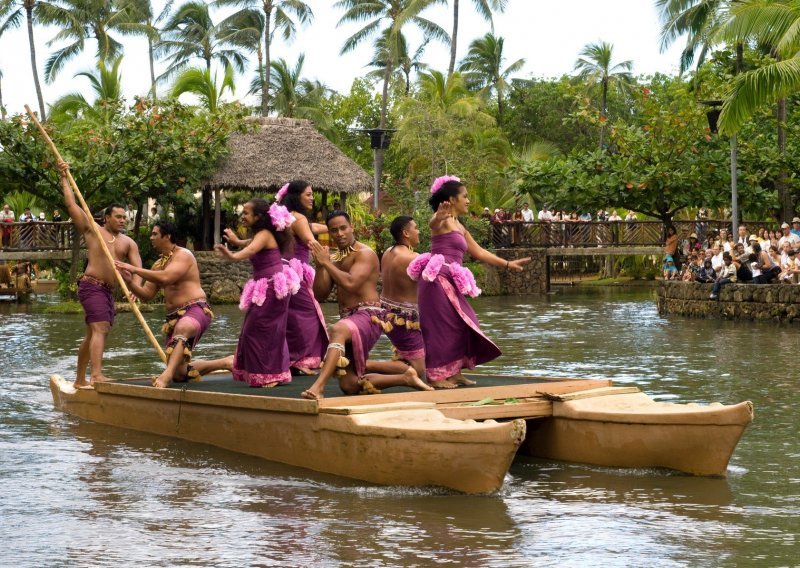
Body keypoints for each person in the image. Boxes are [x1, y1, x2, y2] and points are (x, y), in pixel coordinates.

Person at [408, 176, 530, 388]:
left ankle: (454, 372)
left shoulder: (459, 226)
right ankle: (437, 377)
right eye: (464, 196)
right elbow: (432, 224)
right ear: (452, 199)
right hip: (436, 280)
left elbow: (479, 252)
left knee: (465, 323)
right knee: (442, 328)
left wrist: (508, 264)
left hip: (450, 281)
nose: (468, 201)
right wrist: (437, 216)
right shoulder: (443, 221)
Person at [300, 211, 430, 401]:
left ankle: (318, 387)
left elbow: (351, 283)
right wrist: (321, 266)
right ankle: (405, 378)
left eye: (343, 228)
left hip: (369, 315)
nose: (340, 234)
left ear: (351, 227)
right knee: (349, 385)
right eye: (334, 230)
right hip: (349, 318)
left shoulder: (365, 254)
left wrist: (327, 264)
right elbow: (319, 295)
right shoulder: (334, 259)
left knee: (338, 330)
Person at [195, 198, 301, 387]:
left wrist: (232, 255)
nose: (242, 216)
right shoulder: (262, 234)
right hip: (268, 286)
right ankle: (271, 373)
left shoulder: (265, 233)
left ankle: (270, 374)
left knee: (258, 330)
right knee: (261, 330)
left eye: (246, 213)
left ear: (258, 217)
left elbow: (251, 248)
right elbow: (251, 243)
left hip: (271, 288)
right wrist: (236, 241)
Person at [57, 160, 142, 388]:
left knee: (92, 333)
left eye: (125, 217)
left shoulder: (128, 242)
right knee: (101, 328)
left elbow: (138, 270)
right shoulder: (93, 231)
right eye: (118, 216)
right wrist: (64, 178)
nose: (122, 220)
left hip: (108, 291)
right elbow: (71, 205)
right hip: (91, 285)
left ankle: (78, 379)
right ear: (107, 218)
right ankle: (96, 376)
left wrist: (136, 289)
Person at [115, 222, 213, 388]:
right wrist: (130, 282)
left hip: (195, 309)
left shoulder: (184, 255)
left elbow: (166, 277)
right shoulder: (158, 264)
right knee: (180, 374)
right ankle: (226, 363)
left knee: (183, 328)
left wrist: (134, 269)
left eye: (154, 234)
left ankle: (165, 376)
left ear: (167, 236)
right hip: (173, 317)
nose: (151, 237)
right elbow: (146, 295)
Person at [275, 180, 329, 374]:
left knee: (290, 317)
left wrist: (334, 226)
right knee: (308, 315)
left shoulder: (287, 216)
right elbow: (309, 239)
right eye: (308, 194)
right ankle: (300, 359)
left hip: (283, 271)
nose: (312, 198)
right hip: (295, 273)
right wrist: (326, 258)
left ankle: (291, 359)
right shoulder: (299, 218)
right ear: (297, 196)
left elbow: (310, 227)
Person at [377, 216, 427, 380]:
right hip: (404, 319)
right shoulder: (413, 258)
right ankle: (364, 365)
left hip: (386, 313)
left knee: (408, 356)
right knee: (419, 370)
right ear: (406, 233)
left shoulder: (387, 252)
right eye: (416, 227)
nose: (418, 231)